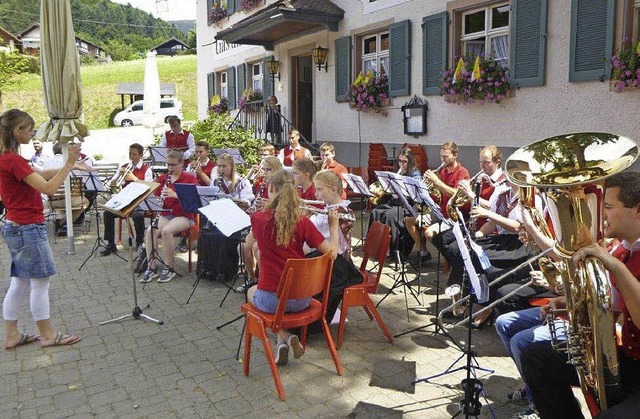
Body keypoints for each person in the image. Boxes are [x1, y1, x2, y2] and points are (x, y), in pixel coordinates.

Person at [521, 172, 640, 419]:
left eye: (607, 207)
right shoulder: (623, 249)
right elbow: (611, 305)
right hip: (628, 359)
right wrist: (566, 304)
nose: (603, 215)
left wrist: (616, 267)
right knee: (536, 357)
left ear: (638, 211)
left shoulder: (619, 257)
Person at [0, 109, 91, 348]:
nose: (32, 133)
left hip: (14, 226)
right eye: (29, 129)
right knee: (41, 281)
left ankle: (12, 335)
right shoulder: (13, 160)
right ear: (17, 131)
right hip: (28, 227)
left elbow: (39, 174)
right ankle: (48, 334)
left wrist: (72, 167)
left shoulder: (7, 158)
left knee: (20, 282)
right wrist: (69, 162)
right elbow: (48, 189)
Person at [244, 169, 338, 365]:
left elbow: (248, 242)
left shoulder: (259, 218)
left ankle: (286, 336)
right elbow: (332, 253)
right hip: (302, 299)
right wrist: (333, 227)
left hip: (272, 300)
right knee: (281, 304)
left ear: (271, 188)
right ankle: (283, 345)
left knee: (251, 291)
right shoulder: (303, 221)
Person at [306, 171, 362, 324]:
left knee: (304, 262)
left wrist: (311, 219)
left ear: (333, 190)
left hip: (339, 263)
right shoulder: (328, 208)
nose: (316, 194)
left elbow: (321, 237)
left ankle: (313, 313)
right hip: (327, 256)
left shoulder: (342, 211)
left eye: (319, 189)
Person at [405, 141, 470, 263]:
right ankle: (423, 252)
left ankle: (452, 259)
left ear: (455, 155)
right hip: (440, 212)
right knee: (409, 221)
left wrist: (436, 182)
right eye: (441, 156)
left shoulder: (462, 172)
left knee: (429, 233)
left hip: (454, 215)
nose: (443, 159)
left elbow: (457, 195)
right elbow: (436, 196)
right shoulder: (442, 172)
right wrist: (423, 188)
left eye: (446, 156)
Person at [141, 150, 198, 284]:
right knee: (150, 231)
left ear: (182, 163)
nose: (170, 168)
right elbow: (154, 196)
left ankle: (169, 268)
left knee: (167, 231)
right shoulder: (163, 178)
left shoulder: (189, 178)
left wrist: (175, 194)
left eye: (173, 165)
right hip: (166, 213)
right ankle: (152, 267)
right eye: (168, 165)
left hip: (184, 215)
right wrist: (155, 200)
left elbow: (194, 200)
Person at [197, 153, 255, 281]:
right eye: (219, 167)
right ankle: (209, 269)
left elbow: (247, 201)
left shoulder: (242, 182)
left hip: (237, 217)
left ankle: (226, 271)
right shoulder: (215, 182)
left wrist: (237, 201)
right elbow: (209, 199)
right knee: (205, 234)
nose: (221, 169)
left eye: (224, 166)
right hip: (220, 216)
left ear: (232, 166)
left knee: (224, 236)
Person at [100, 143, 153, 256]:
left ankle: (139, 243)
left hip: (139, 201)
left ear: (141, 155)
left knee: (137, 215)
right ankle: (111, 244)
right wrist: (119, 175)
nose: (131, 157)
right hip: (125, 201)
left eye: (134, 154)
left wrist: (134, 178)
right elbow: (113, 184)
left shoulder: (147, 170)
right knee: (107, 213)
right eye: (130, 154)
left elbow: (149, 188)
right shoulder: (124, 166)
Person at [369, 147, 422, 257]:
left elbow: (416, 194)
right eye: (400, 161)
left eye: (404, 161)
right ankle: (375, 247)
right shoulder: (397, 172)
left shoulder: (415, 173)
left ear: (410, 161)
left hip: (408, 205)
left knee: (389, 215)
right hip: (395, 202)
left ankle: (390, 250)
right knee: (376, 212)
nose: (401, 164)